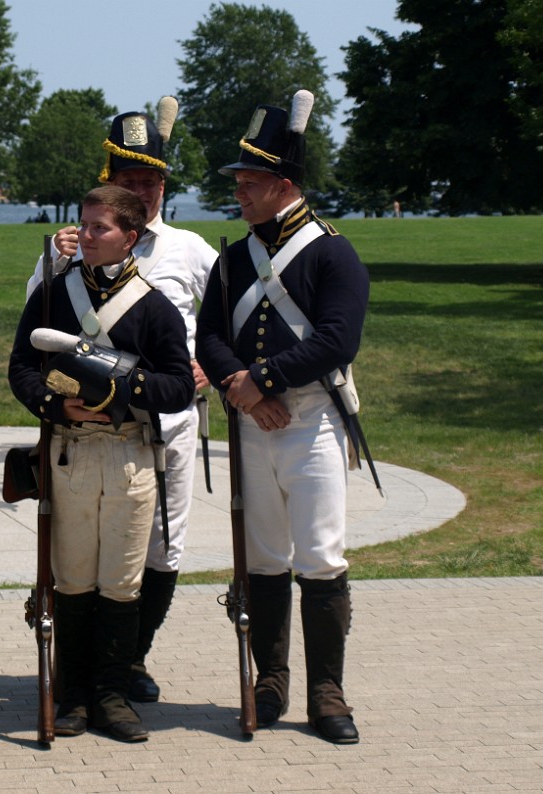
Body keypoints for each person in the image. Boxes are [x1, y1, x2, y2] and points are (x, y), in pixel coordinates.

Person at [25, 97, 216, 705]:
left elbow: (222, 326)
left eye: (152, 179)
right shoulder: (69, 248)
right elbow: (37, 329)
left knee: (158, 547)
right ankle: (87, 677)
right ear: (110, 182)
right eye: (131, 179)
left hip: (165, 420)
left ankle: (128, 661)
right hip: (82, 431)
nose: (145, 187)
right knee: (81, 560)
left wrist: (212, 366)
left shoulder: (189, 249)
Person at [195, 89, 370, 745]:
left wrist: (257, 378)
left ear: (284, 184)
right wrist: (238, 384)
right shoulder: (234, 259)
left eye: (249, 182)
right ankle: (270, 681)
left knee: (319, 556)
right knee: (263, 558)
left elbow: (336, 340)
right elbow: (209, 334)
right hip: (249, 421)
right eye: (239, 181)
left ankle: (328, 691)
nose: (238, 192)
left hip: (312, 421)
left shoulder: (333, 254)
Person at [9, 185, 194, 743]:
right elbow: (21, 368)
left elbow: (180, 386)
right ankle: (73, 695)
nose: (85, 236)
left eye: (99, 228)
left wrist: (120, 383)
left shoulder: (155, 305)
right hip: (70, 451)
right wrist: (51, 402)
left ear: (129, 237)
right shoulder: (50, 296)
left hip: (130, 453)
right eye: (83, 226)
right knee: (72, 580)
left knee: (120, 581)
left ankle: (111, 696)